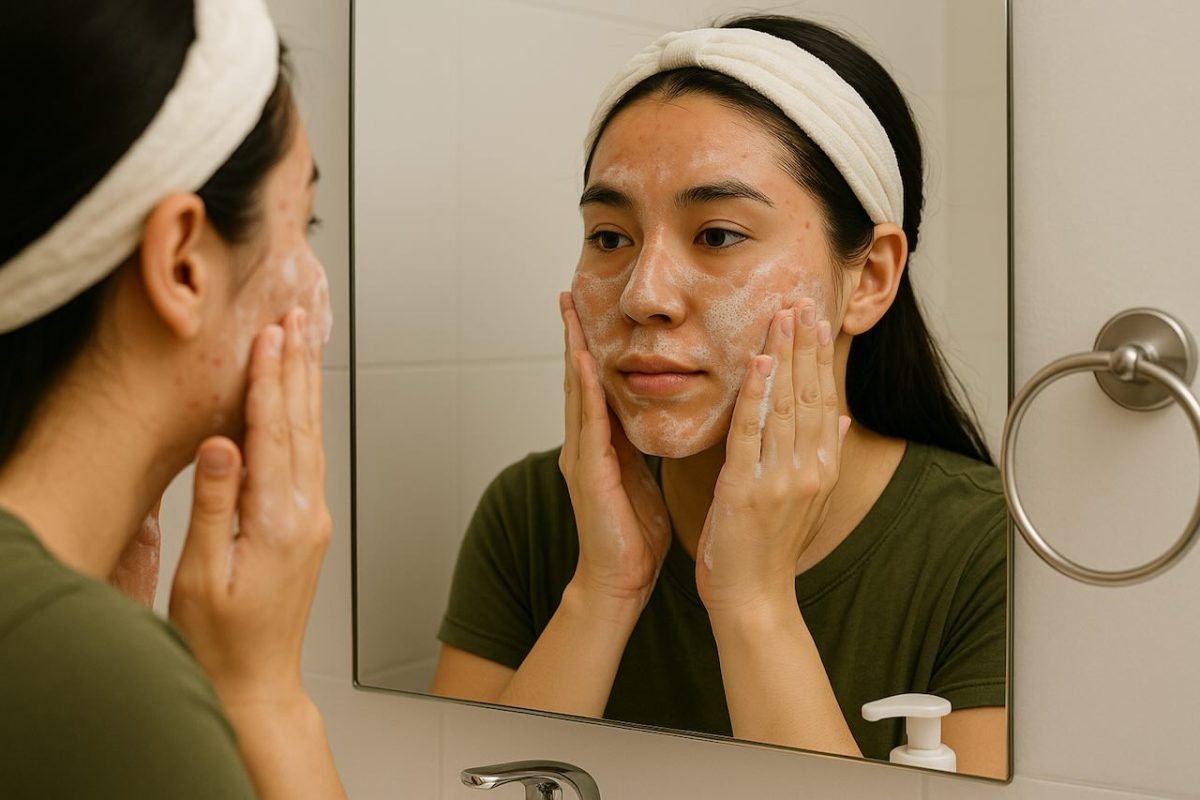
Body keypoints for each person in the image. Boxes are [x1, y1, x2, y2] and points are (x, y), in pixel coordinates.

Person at [431, 15, 1008, 778]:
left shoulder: (986, 550)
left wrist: (753, 602)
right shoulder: (535, 513)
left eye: (718, 235)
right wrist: (605, 587)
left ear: (869, 278)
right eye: (609, 237)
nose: (644, 295)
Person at [0, 0, 346, 796]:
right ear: (183, 262)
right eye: (306, 221)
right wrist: (264, 696)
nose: (317, 286)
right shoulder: (91, 683)